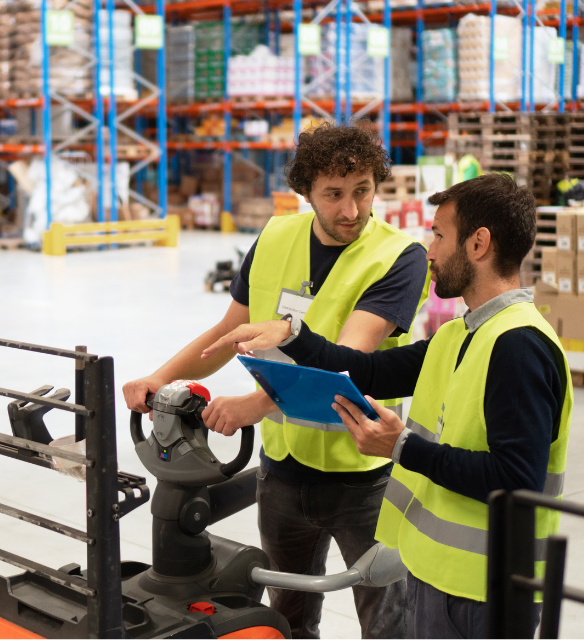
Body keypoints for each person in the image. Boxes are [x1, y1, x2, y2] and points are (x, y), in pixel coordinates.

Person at [203, 173, 573, 639]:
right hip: (437, 576)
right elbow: (368, 371)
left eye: (439, 234)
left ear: (479, 244)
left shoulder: (519, 345)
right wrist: (292, 336)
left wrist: (400, 446)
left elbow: (517, 480)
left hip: (485, 593)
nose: (430, 250)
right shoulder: (460, 334)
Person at [124, 122, 430, 639]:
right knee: (287, 619)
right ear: (305, 192)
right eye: (333, 195)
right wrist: (160, 377)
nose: (351, 210)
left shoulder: (400, 257)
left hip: (364, 474)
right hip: (283, 470)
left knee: (387, 623)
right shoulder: (275, 236)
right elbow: (227, 330)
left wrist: (252, 404)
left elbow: (347, 359)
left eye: (362, 191)